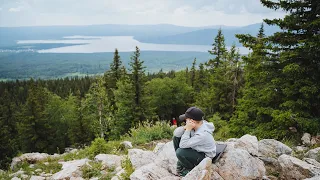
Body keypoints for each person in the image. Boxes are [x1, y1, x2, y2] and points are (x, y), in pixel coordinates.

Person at [173, 107, 216, 177]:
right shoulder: (196, 125)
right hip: (197, 150)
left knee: (180, 152)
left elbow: (182, 145)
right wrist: (185, 127)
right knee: (176, 138)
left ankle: (190, 169)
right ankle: (182, 163)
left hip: (204, 157)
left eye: (186, 119)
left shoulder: (202, 134)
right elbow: (176, 134)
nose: (185, 121)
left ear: (192, 121)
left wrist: (187, 130)